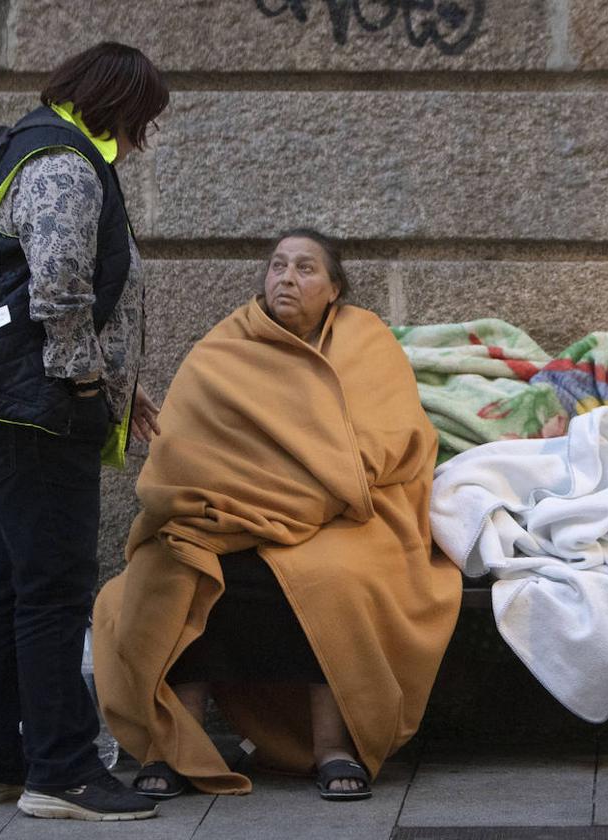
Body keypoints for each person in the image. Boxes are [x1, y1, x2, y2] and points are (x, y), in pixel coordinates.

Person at [91, 229, 462, 801]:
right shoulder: (225, 348)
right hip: (231, 517)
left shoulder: (366, 340)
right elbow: (183, 450)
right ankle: (176, 746)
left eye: (306, 268)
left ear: (335, 289)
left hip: (347, 515)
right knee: (178, 564)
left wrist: (306, 490)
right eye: (277, 266)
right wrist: (247, 500)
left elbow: (392, 439)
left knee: (329, 577)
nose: (286, 278)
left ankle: (334, 747)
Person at [0, 42, 168, 821]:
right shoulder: (63, 163)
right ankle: (64, 773)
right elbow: (57, 289)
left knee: (7, 582)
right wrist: (87, 382)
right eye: (141, 115)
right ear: (116, 101)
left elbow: (30, 291)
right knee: (51, 590)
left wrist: (123, 381)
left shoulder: (29, 146)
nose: (141, 134)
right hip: (33, 410)